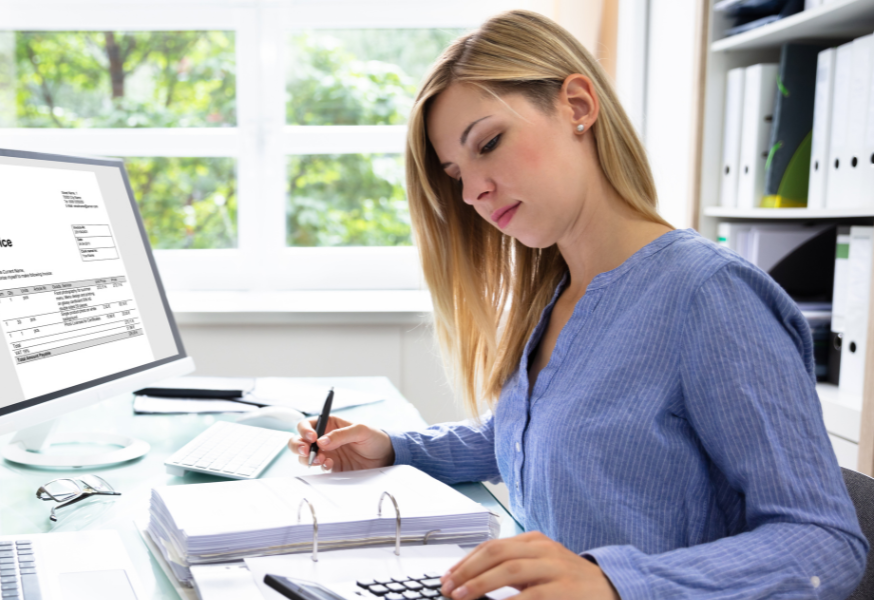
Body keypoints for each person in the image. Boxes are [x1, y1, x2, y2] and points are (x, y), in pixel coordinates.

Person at [288, 10, 867, 600]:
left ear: (578, 106)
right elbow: (539, 435)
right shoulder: (558, 293)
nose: (471, 192)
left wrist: (616, 582)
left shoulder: (708, 296)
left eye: (488, 143)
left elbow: (824, 541)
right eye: (455, 173)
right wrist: (395, 447)